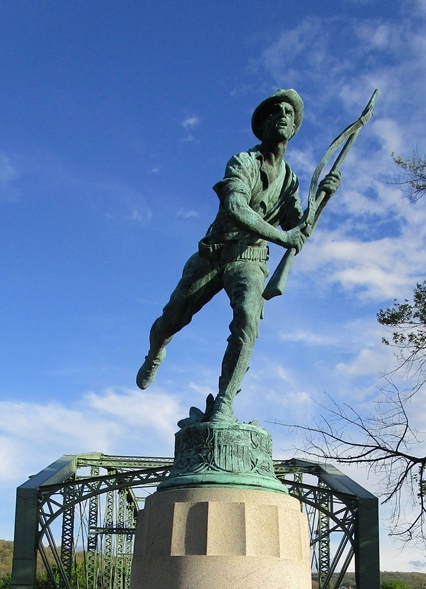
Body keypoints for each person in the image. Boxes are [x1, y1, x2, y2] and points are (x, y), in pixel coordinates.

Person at [136, 89, 340, 422]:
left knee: (247, 317)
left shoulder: (290, 182)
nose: (282, 116)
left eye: (289, 112)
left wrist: (324, 198)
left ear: (294, 126)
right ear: (263, 126)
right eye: (275, 112)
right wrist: (280, 235)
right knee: (171, 319)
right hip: (215, 252)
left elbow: (298, 232)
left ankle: (225, 400)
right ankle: (155, 352)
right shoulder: (244, 161)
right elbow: (234, 207)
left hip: (252, 259)